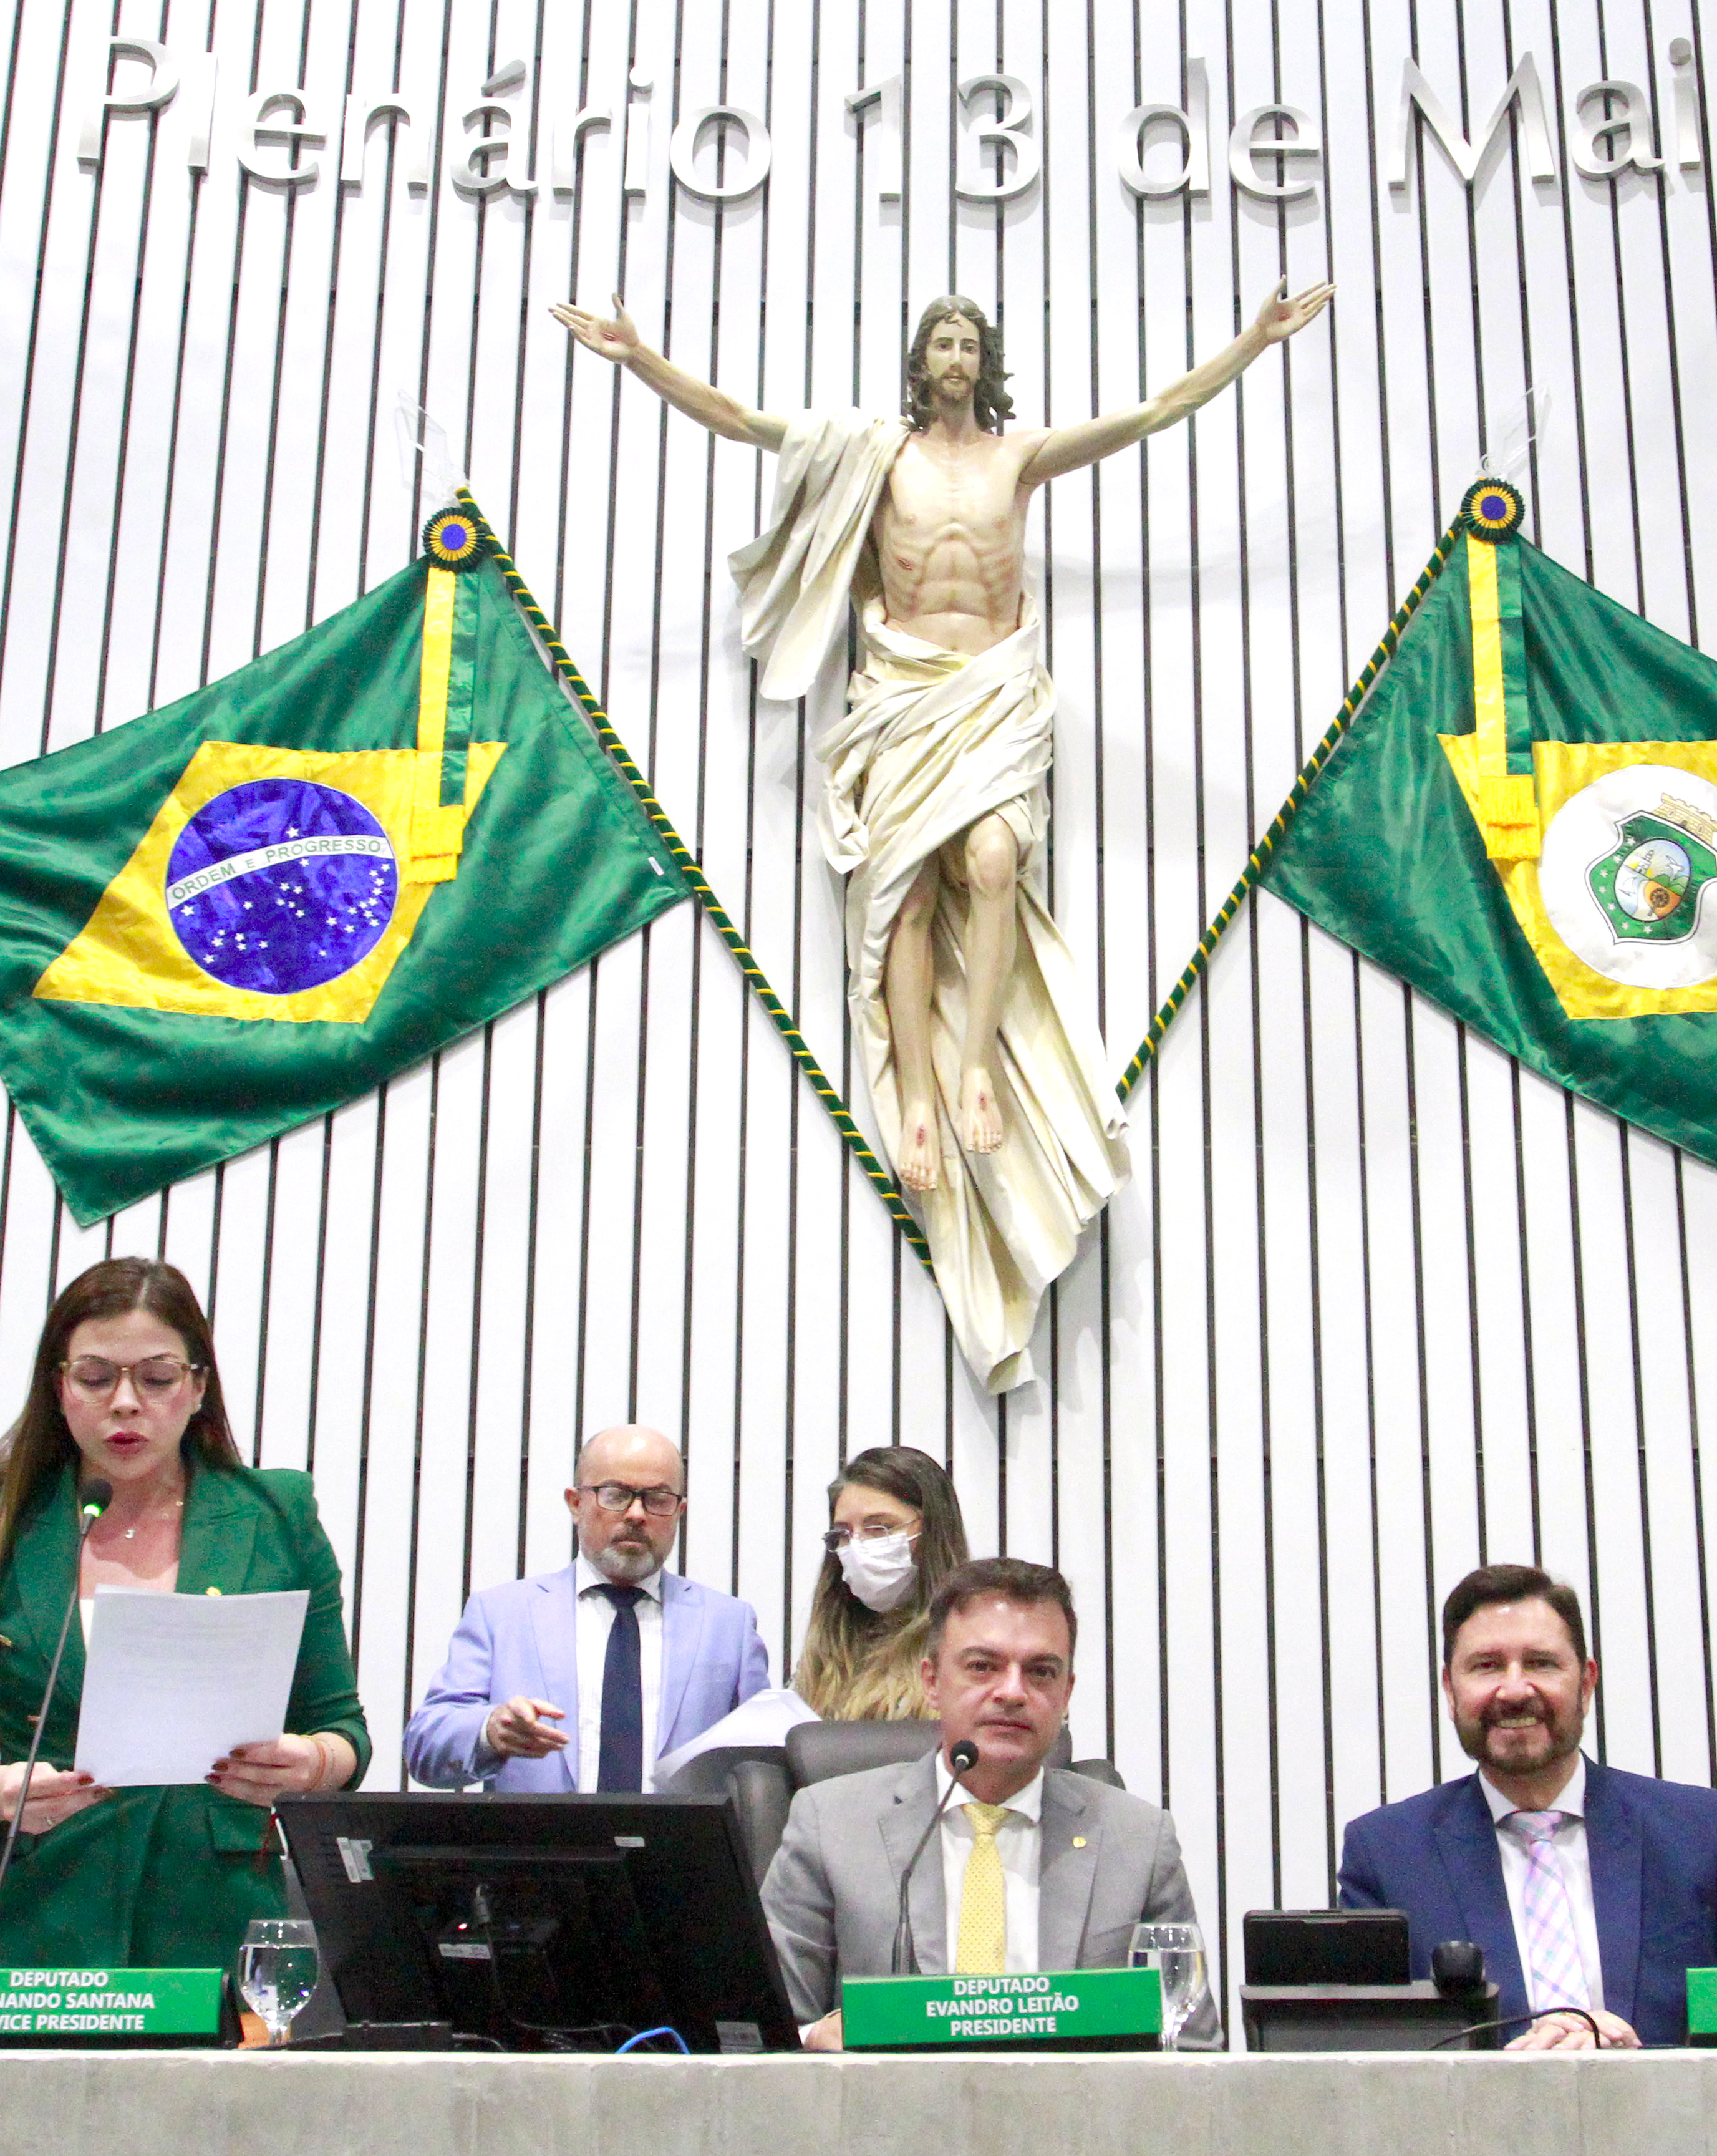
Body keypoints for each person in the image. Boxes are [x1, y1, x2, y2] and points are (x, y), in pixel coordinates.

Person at [549, 283, 1329, 1390]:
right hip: (902, 690)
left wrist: (1248, 343)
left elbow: (1152, 414)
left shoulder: (1018, 459)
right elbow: (733, 416)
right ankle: (916, 1095)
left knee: (995, 861)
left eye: (970, 339)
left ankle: (973, 1076)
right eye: (940, 340)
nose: (955, 354)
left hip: (995, 690)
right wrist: (639, 358)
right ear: (918, 361)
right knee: (905, 898)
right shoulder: (875, 453)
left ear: (985, 359)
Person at [0, 1257, 368, 1969]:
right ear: (58, 1386)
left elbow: (345, 1734)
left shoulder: (275, 1516)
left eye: (156, 1379)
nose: (125, 1403)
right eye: (96, 1378)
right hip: (40, 1916)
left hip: (218, 1918)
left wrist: (307, 1763)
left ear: (197, 1388)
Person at [758, 1556, 1220, 2049]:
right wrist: (815, 2039)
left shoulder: (1139, 1841)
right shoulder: (830, 1825)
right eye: (983, 1667)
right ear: (932, 1683)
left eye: (1041, 1672)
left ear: (1066, 1695)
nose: (1012, 1692)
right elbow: (768, 2030)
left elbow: (1190, 2047)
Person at [1337, 1563, 1717, 2049]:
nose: (1514, 1691)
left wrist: (1630, 2057)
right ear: (1451, 1691)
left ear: (1586, 1682)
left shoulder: (1702, 1834)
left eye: (1541, 1663)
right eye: (1487, 1666)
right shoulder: (1386, 1855)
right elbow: (1363, 2059)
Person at [401, 1425, 771, 1792]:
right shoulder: (501, 1614)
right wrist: (489, 1731)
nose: (636, 1514)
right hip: (542, 1848)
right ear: (576, 1504)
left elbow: (764, 1766)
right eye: (615, 1494)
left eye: (658, 1499)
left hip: (680, 1849)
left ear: (679, 1511)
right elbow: (425, 1748)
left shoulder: (728, 1625)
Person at [793, 1446, 973, 1721]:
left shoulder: (973, 1645)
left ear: (932, 1530)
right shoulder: (828, 1649)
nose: (857, 1547)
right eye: (843, 1533)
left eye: (880, 1528)